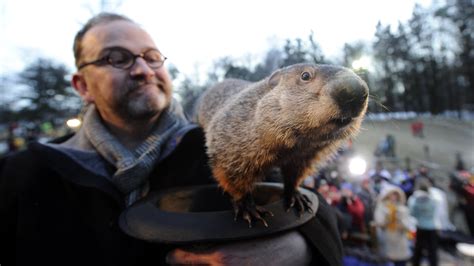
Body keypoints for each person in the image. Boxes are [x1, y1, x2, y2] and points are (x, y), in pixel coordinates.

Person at [0, 13, 342, 266]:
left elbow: (313, 210)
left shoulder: (218, 143)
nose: (143, 70)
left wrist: (300, 249)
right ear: (82, 86)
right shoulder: (24, 174)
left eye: (152, 57)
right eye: (116, 58)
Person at [374, 185, 415, 266]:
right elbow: (379, 222)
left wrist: (401, 219)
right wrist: (387, 217)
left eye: (395, 195)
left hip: (401, 239)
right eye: (392, 194)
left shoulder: (402, 208)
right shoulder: (382, 207)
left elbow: (408, 225)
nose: (393, 197)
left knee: (401, 262)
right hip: (387, 238)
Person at [408, 178, 439, 266]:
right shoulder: (433, 199)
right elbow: (435, 211)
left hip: (421, 226)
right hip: (431, 227)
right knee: (432, 250)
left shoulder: (415, 199)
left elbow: (413, 213)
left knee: (418, 249)